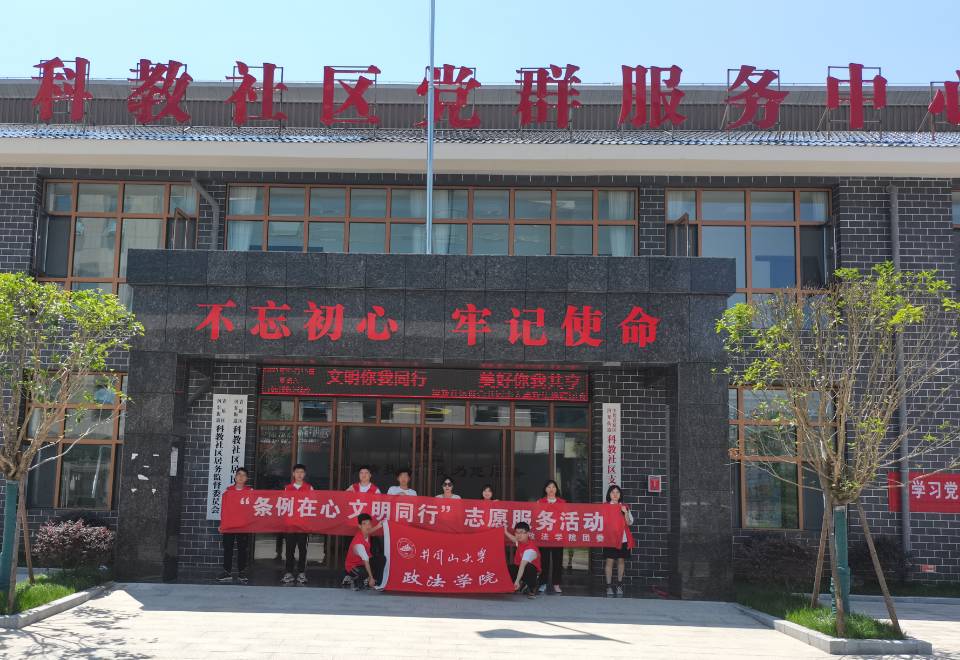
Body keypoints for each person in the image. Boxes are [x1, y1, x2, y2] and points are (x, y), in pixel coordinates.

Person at [218, 467, 252, 584]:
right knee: (228, 548)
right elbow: (224, 510)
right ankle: (226, 571)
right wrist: (222, 524)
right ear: (235, 477)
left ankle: (241, 572)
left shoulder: (250, 492)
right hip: (229, 525)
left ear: (247, 478)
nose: (241, 477)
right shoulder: (228, 492)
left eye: (244, 475)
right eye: (239, 474)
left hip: (244, 525)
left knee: (242, 549)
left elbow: (253, 509)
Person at [282, 463, 313, 585]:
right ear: (293, 474)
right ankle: (288, 572)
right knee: (289, 550)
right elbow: (283, 504)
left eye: (302, 472)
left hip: (303, 525)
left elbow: (314, 504)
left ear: (304, 474)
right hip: (290, 524)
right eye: (297, 472)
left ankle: (301, 573)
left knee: (302, 550)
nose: (299, 474)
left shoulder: (309, 488)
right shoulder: (287, 488)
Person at [604, 484, 636, 598]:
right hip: (610, 539)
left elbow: (629, 523)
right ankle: (608, 586)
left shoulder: (624, 507)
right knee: (609, 561)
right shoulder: (605, 507)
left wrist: (625, 512)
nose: (615, 494)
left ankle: (619, 585)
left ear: (620, 495)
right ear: (609, 494)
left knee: (621, 561)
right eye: (613, 492)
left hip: (623, 539)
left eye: (617, 492)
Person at [537, 479, 566, 594]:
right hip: (544, 536)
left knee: (557, 562)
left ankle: (556, 584)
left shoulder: (562, 502)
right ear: (545, 489)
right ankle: (543, 583)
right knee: (544, 561)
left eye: (553, 487)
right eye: (549, 487)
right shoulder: (540, 502)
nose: (551, 489)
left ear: (556, 489)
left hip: (558, 536)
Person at [344, 513, 383, 591]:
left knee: (381, 559)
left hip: (363, 563)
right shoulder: (358, 544)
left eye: (369, 523)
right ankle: (351, 578)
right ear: (359, 526)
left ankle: (370, 580)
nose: (367, 526)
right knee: (363, 573)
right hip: (353, 566)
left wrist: (379, 526)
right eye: (364, 524)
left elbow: (369, 531)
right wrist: (371, 577)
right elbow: (366, 561)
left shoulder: (365, 533)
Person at [504, 522, 540, 599]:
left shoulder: (530, 549)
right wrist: (505, 532)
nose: (518, 535)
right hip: (521, 568)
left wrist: (517, 581)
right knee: (509, 568)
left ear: (528, 533)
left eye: (521, 532)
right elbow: (514, 539)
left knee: (528, 567)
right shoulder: (520, 542)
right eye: (517, 532)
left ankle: (532, 588)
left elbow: (522, 566)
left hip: (531, 572)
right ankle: (514, 585)